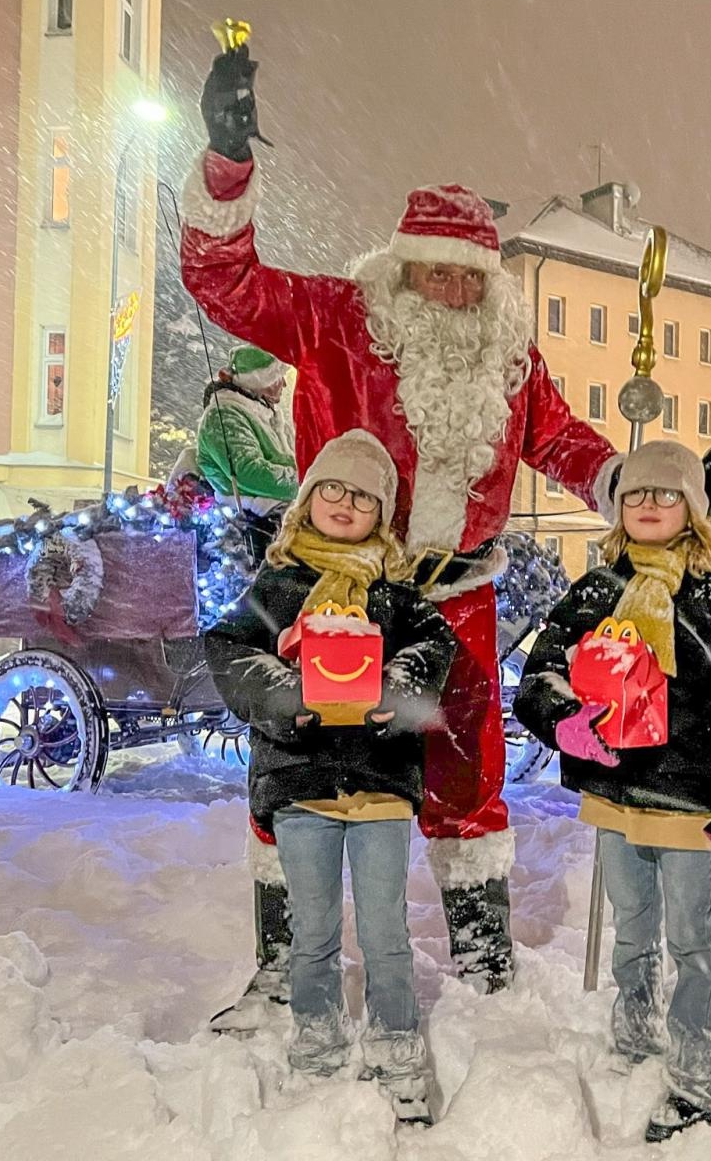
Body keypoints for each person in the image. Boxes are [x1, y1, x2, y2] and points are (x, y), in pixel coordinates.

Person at [182, 42, 622, 998]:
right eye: (438, 275)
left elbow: (564, 441)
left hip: (458, 601)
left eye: (472, 279)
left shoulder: (511, 356)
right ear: (406, 267)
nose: (456, 294)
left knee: (467, 775)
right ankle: (282, 966)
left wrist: (624, 484)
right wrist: (226, 165)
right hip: (333, 586)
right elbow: (225, 284)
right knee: (298, 763)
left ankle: (480, 961)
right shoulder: (336, 317)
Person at [514, 441, 711, 1143]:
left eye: (665, 495)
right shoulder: (595, 593)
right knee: (632, 929)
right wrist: (563, 723)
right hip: (616, 793)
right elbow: (542, 675)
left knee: (692, 938)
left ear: (692, 509)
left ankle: (700, 1070)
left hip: (690, 800)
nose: (648, 506)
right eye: (635, 495)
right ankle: (634, 1036)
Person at [204, 430, 457, 1125]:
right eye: (332, 490)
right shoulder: (278, 586)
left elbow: (435, 648)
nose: (346, 504)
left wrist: (396, 684)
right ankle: (316, 1042)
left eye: (364, 496)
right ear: (308, 499)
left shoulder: (396, 594)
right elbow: (227, 649)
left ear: (383, 513)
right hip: (301, 784)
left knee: (384, 929)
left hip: (378, 785)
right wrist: (291, 696)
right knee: (312, 928)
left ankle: (397, 1043)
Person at [197, 343, 298, 515]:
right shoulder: (224, 416)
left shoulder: (270, 415)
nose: (285, 384)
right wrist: (307, 484)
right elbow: (249, 473)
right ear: (255, 381)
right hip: (253, 517)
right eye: (276, 378)